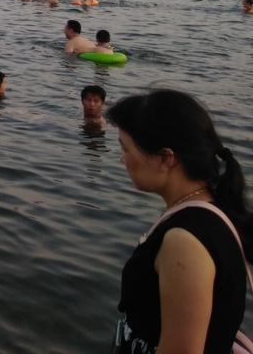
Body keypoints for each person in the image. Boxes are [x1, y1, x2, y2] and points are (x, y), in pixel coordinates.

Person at [107, 90, 251, 354]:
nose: (122, 159)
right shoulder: (213, 209)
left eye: (125, 148)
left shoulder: (184, 241)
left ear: (166, 158)